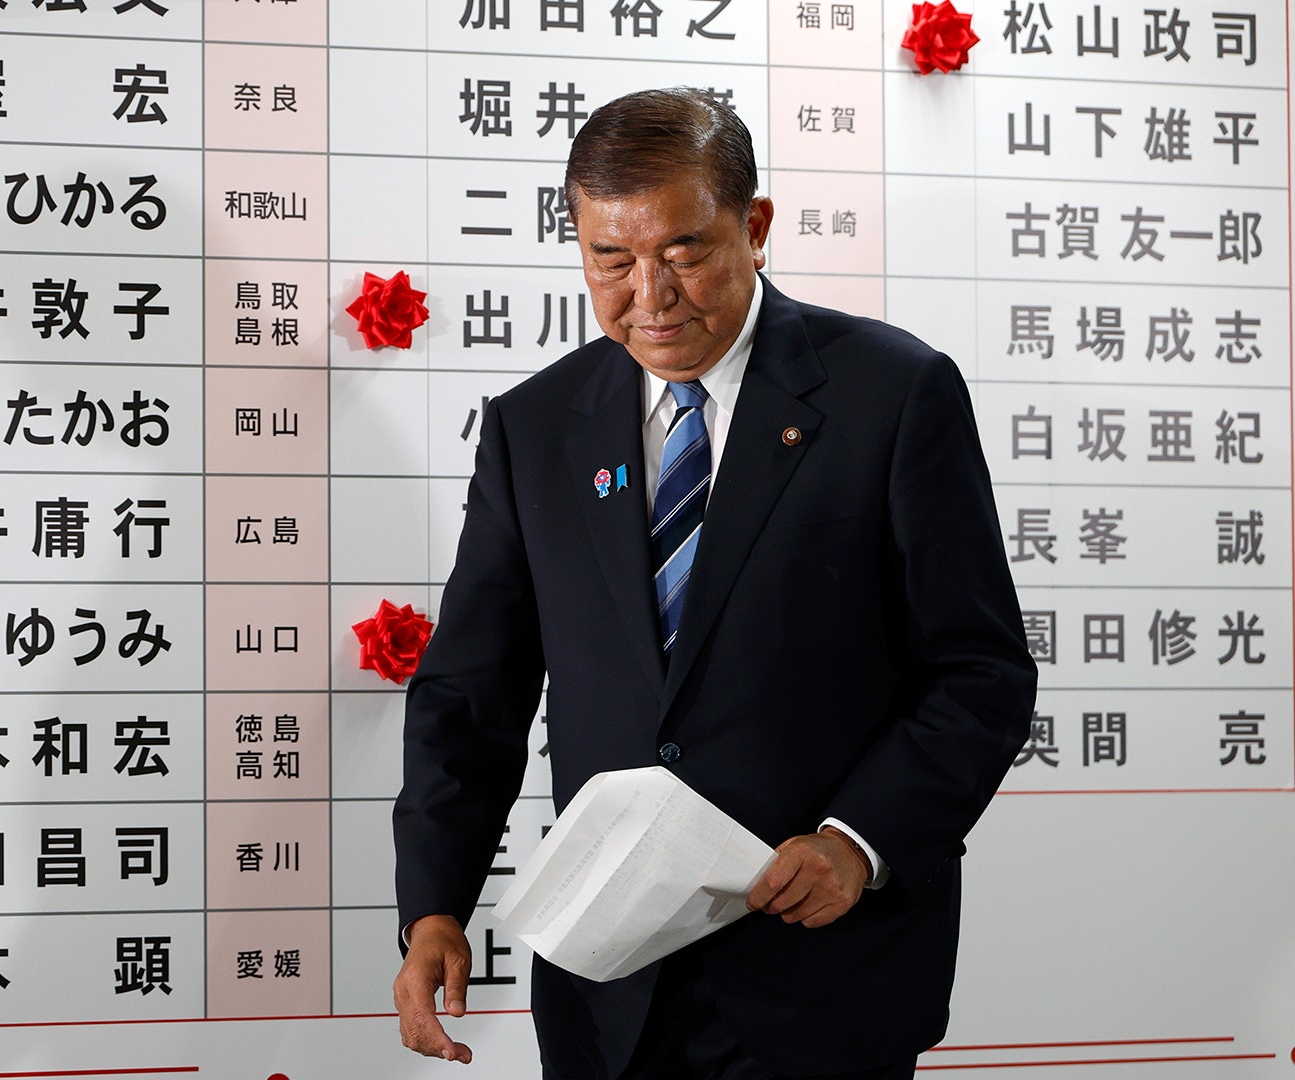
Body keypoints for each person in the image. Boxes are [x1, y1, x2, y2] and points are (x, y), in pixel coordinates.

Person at [391, 88, 1036, 1080]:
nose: (649, 295)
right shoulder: (534, 429)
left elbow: (978, 671)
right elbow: (470, 692)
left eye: (685, 252)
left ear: (757, 227)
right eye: (611, 258)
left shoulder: (893, 394)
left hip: (822, 968)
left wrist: (856, 844)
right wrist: (435, 901)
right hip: (610, 987)